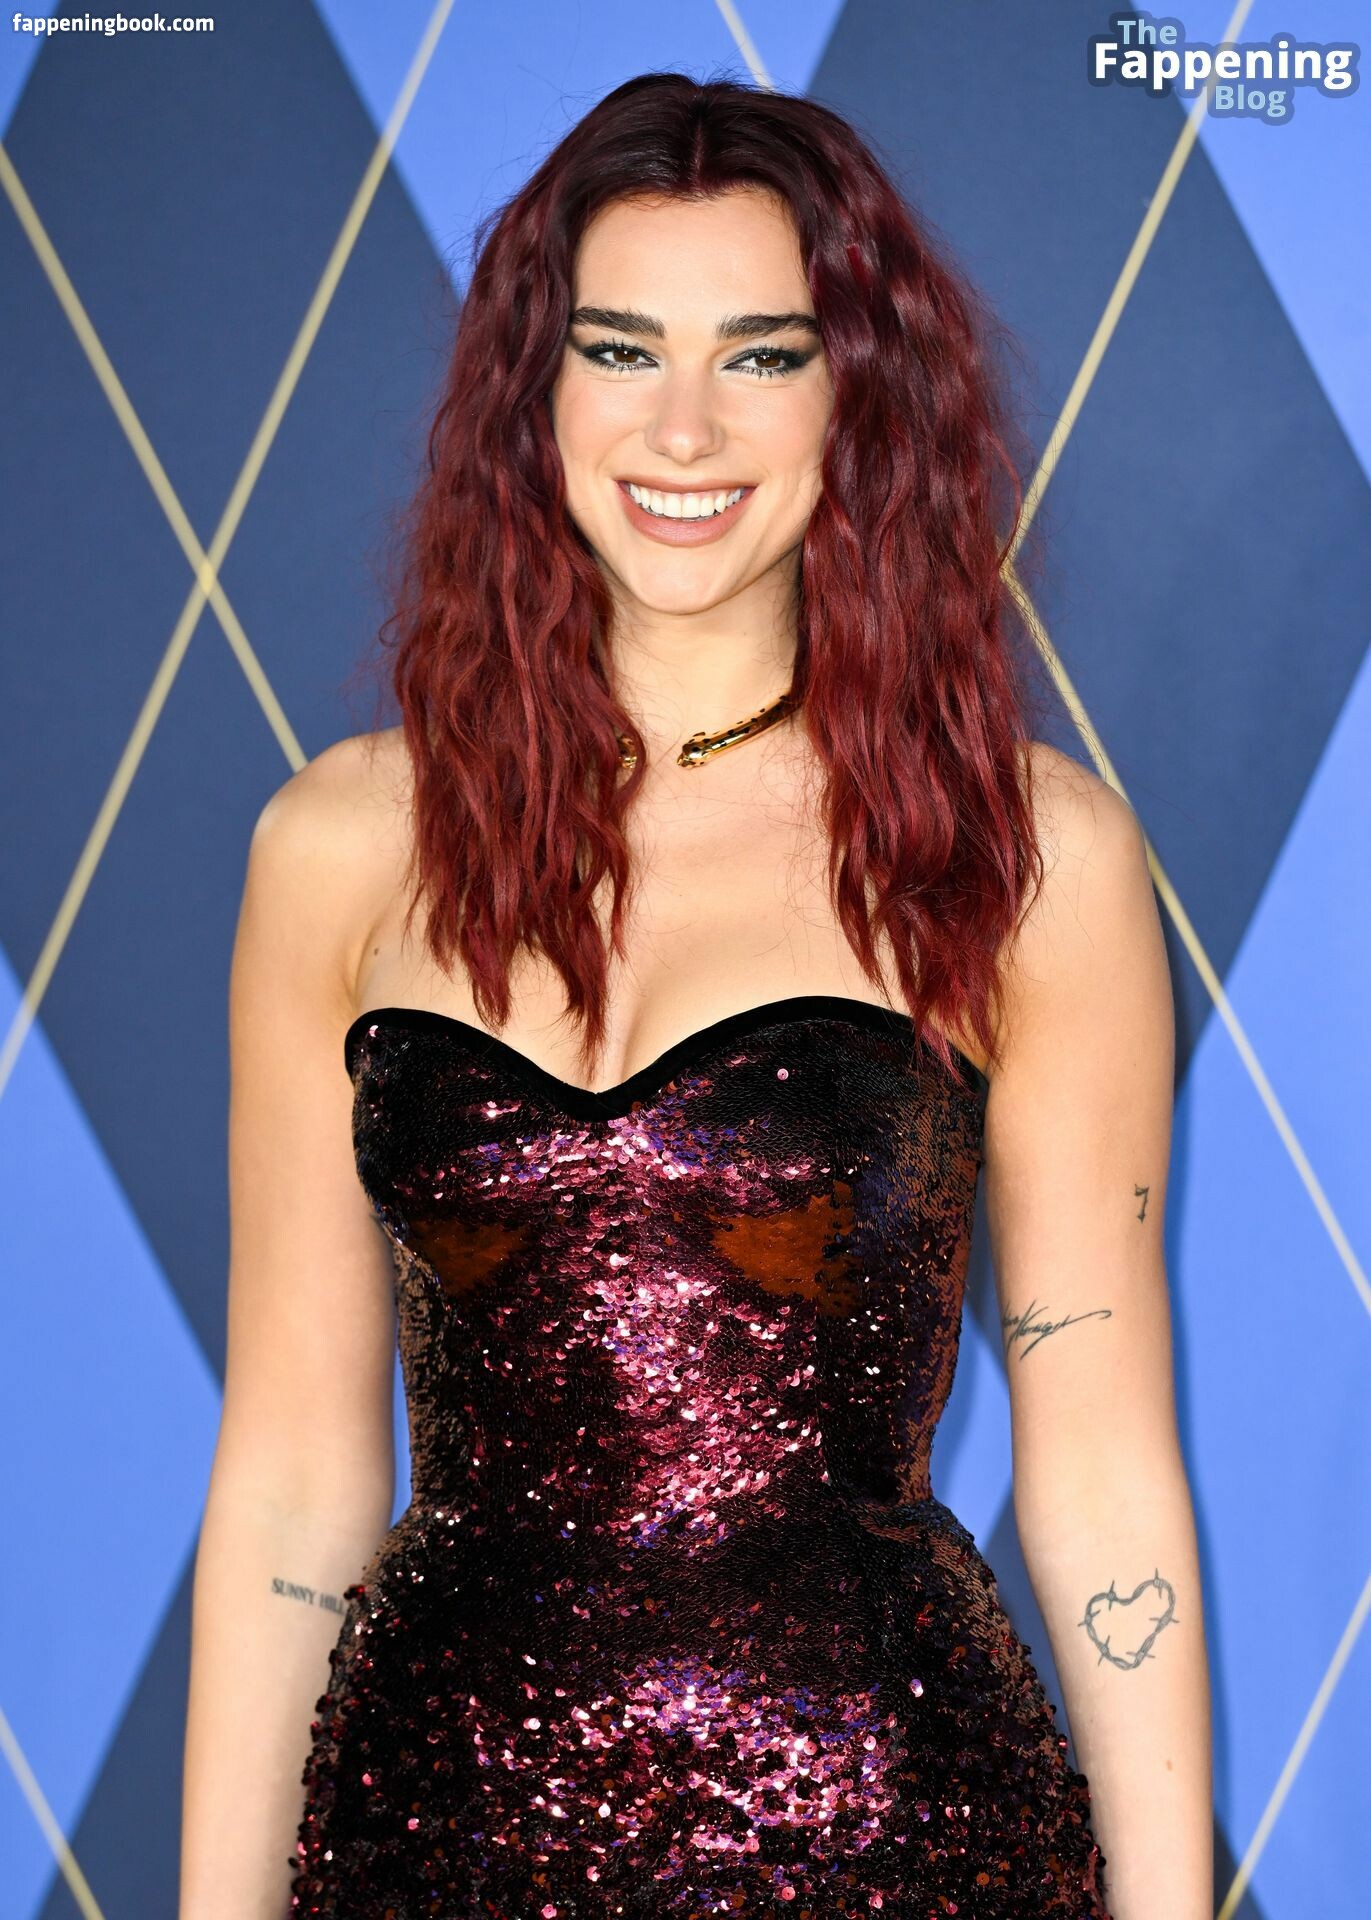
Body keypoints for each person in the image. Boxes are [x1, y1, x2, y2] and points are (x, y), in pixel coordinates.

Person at [180, 72, 1212, 1920]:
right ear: (536, 391)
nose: (681, 426)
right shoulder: (338, 846)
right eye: (620, 348)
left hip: (894, 1834)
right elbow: (289, 1480)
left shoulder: (1022, 850)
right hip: (437, 1833)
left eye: (761, 355)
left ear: (857, 397)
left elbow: (1106, 1470)